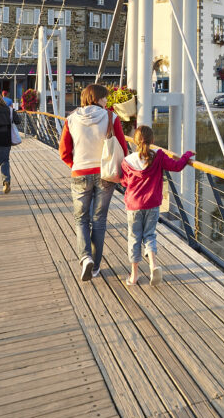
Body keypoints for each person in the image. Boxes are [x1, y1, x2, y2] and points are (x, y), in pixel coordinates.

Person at [59, 84, 128, 282]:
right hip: (105, 173)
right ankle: (96, 266)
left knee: (81, 219)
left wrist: (75, 165)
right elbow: (122, 148)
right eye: (105, 98)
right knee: (99, 220)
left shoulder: (71, 119)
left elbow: (63, 151)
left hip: (80, 172)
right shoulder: (111, 117)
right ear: (97, 98)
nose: (107, 101)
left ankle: (85, 257)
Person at [119, 125, 192, 286]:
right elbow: (177, 166)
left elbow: (124, 182)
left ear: (135, 141)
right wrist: (187, 155)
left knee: (134, 237)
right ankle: (153, 265)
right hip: (152, 204)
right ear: (152, 140)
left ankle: (134, 275)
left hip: (134, 205)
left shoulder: (127, 161)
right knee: (150, 235)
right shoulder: (158, 156)